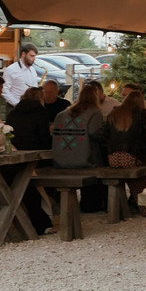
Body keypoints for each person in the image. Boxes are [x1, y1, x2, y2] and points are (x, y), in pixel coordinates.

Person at [3, 87, 56, 235]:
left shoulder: (13, 113)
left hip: (15, 157)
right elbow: (44, 139)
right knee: (35, 182)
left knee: (21, 184)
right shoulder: (41, 113)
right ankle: (48, 213)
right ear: (40, 98)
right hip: (36, 159)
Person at [52, 83, 107, 213]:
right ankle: (91, 205)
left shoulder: (62, 114)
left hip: (61, 159)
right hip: (85, 159)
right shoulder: (95, 112)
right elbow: (94, 133)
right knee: (101, 164)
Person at [99, 91, 146, 208]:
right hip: (132, 157)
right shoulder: (141, 112)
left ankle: (130, 203)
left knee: (142, 168)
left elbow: (104, 135)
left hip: (113, 159)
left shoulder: (114, 112)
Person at [1, 43, 40, 108]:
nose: (34, 59)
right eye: (31, 56)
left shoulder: (33, 70)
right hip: (14, 107)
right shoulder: (11, 69)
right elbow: (4, 90)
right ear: (23, 54)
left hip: (30, 106)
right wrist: (17, 104)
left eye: (35, 56)